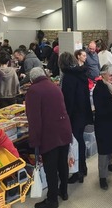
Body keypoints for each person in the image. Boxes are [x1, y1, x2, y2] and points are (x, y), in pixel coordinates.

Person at [25, 67, 72, 208]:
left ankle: (52, 200)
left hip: (49, 134)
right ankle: (63, 191)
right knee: (62, 164)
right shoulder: (54, 86)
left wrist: (34, 141)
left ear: (32, 80)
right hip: (63, 130)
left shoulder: (33, 91)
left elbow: (34, 119)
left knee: (50, 169)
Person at [59, 52, 93, 184]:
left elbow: (68, 99)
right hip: (83, 112)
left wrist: (65, 116)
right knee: (80, 140)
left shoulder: (68, 77)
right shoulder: (81, 73)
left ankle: (77, 171)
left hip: (73, 114)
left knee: (74, 143)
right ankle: (82, 168)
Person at [93, 64, 112, 190]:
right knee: (103, 151)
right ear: (103, 75)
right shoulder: (99, 89)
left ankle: (110, 164)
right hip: (103, 123)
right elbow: (100, 110)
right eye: (110, 75)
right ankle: (102, 177)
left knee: (111, 146)